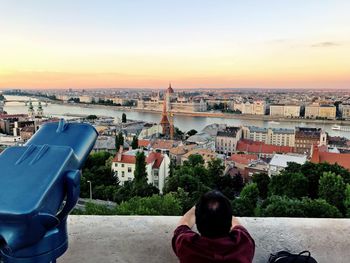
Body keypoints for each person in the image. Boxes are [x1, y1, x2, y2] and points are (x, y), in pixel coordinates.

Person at [172, 190, 255, 263]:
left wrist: (198, 207)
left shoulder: (186, 244)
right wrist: (223, 212)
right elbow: (236, 224)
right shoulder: (243, 243)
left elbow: (183, 224)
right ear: (228, 222)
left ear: (198, 222)